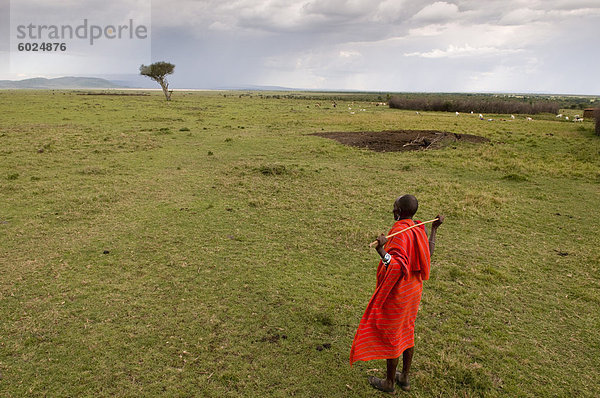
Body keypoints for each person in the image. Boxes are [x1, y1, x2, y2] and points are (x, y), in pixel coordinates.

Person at [350, 194, 444, 393]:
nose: (392, 210)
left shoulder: (400, 232)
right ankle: (405, 378)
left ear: (400, 212)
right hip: (413, 291)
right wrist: (434, 230)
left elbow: (394, 267)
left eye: (394, 207)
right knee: (407, 331)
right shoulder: (419, 228)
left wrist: (381, 250)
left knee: (394, 334)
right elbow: (428, 253)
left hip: (400, 293)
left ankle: (390, 383)